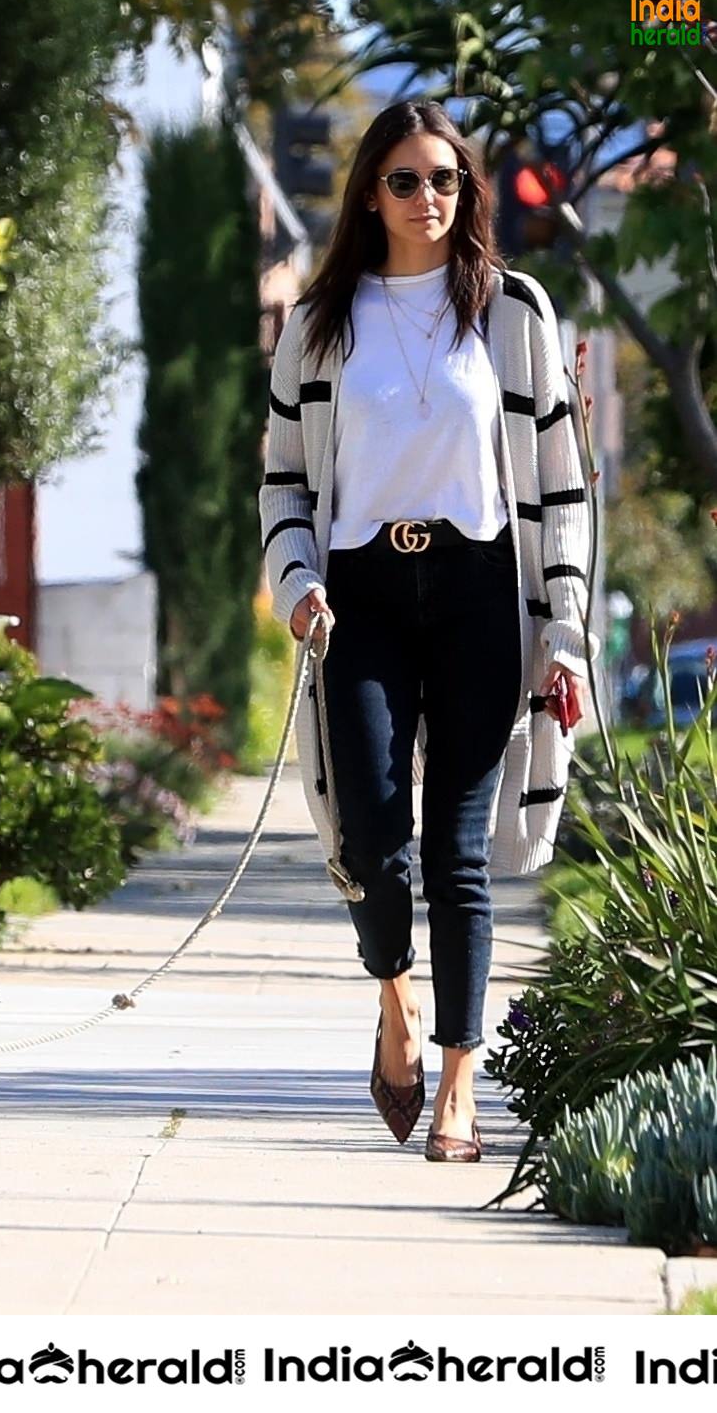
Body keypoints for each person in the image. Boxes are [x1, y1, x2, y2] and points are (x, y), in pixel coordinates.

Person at [259, 99, 597, 1163]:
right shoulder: (320, 322)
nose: (425, 198)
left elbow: (561, 482)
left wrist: (564, 631)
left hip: (476, 593)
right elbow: (281, 482)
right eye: (404, 180)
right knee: (368, 835)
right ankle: (393, 1007)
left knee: (456, 855)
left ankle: (458, 1087)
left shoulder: (510, 312)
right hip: (358, 594)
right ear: (371, 192)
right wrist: (296, 582)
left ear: (466, 193)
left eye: (444, 180)